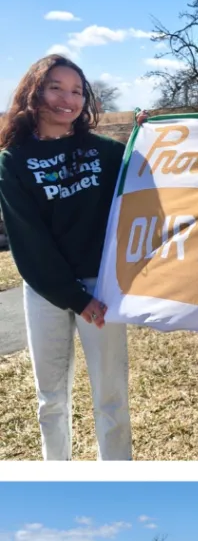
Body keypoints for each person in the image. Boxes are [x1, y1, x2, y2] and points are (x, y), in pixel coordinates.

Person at [0, 54, 131, 461]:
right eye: (56, 87)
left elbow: (148, 183)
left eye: (76, 90)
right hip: (47, 292)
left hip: (103, 288)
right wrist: (76, 298)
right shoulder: (13, 161)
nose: (67, 99)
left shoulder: (106, 152)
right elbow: (30, 242)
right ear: (34, 92)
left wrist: (149, 135)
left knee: (111, 398)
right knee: (50, 398)